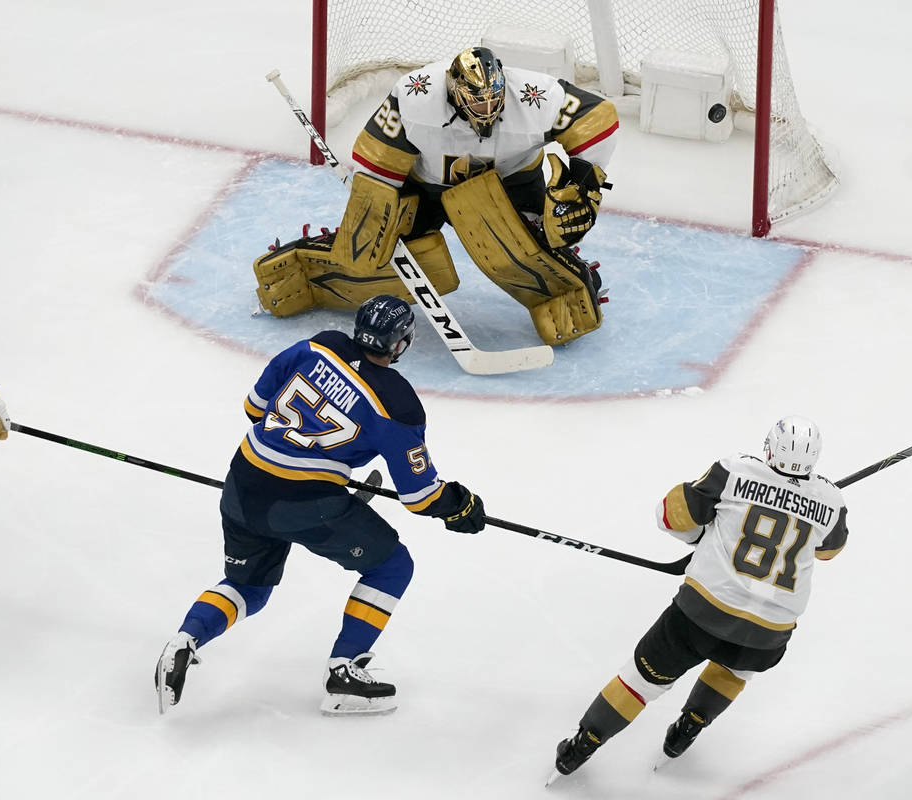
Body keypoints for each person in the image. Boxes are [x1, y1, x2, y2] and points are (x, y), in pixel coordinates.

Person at [155, 295, 486, 716]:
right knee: (392, 566)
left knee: (248, 588)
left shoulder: (320, 344)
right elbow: (420, 497)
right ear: (400, 343)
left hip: (242, 479)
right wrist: (459, 505)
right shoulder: (398, 403)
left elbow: (254, 408)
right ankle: (344, 670)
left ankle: (185, 639)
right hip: (304, 502)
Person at [253, 46, 619, 346]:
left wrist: (583, 184)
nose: (487, 110)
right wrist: (374, 205)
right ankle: (321, 267)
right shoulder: (416, 93)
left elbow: (598, 118)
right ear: (455, 90)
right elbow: (377, 153)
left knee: (525, 249)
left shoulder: (536, 96)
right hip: (425, 185)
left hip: (512, 181)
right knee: (396, 259)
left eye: (494, 99)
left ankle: (557, 281)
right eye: (477, 102)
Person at [551, 416, 849, 777]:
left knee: (641, 681)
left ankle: (582, 747)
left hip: (702, 613)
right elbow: (829, 550)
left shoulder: (735, 471)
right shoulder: (831, 500)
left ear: (770, 447)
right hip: (770, 633)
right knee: (735, 667)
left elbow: (670, 515)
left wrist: (699, 539)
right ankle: (690, 725)